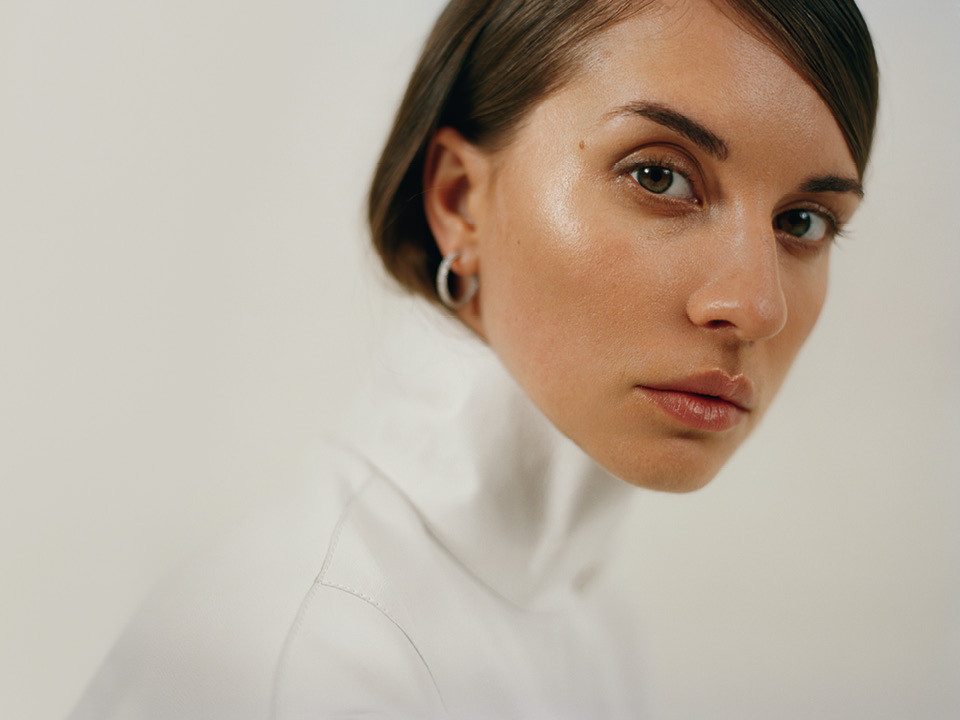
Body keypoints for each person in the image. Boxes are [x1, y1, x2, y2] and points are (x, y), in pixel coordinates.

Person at [69, 0, 878, 717]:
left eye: (804, 221)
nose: (757, 307)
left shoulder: (588, 625)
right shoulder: (312, 663)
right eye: (659, 176)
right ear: (458, 198)